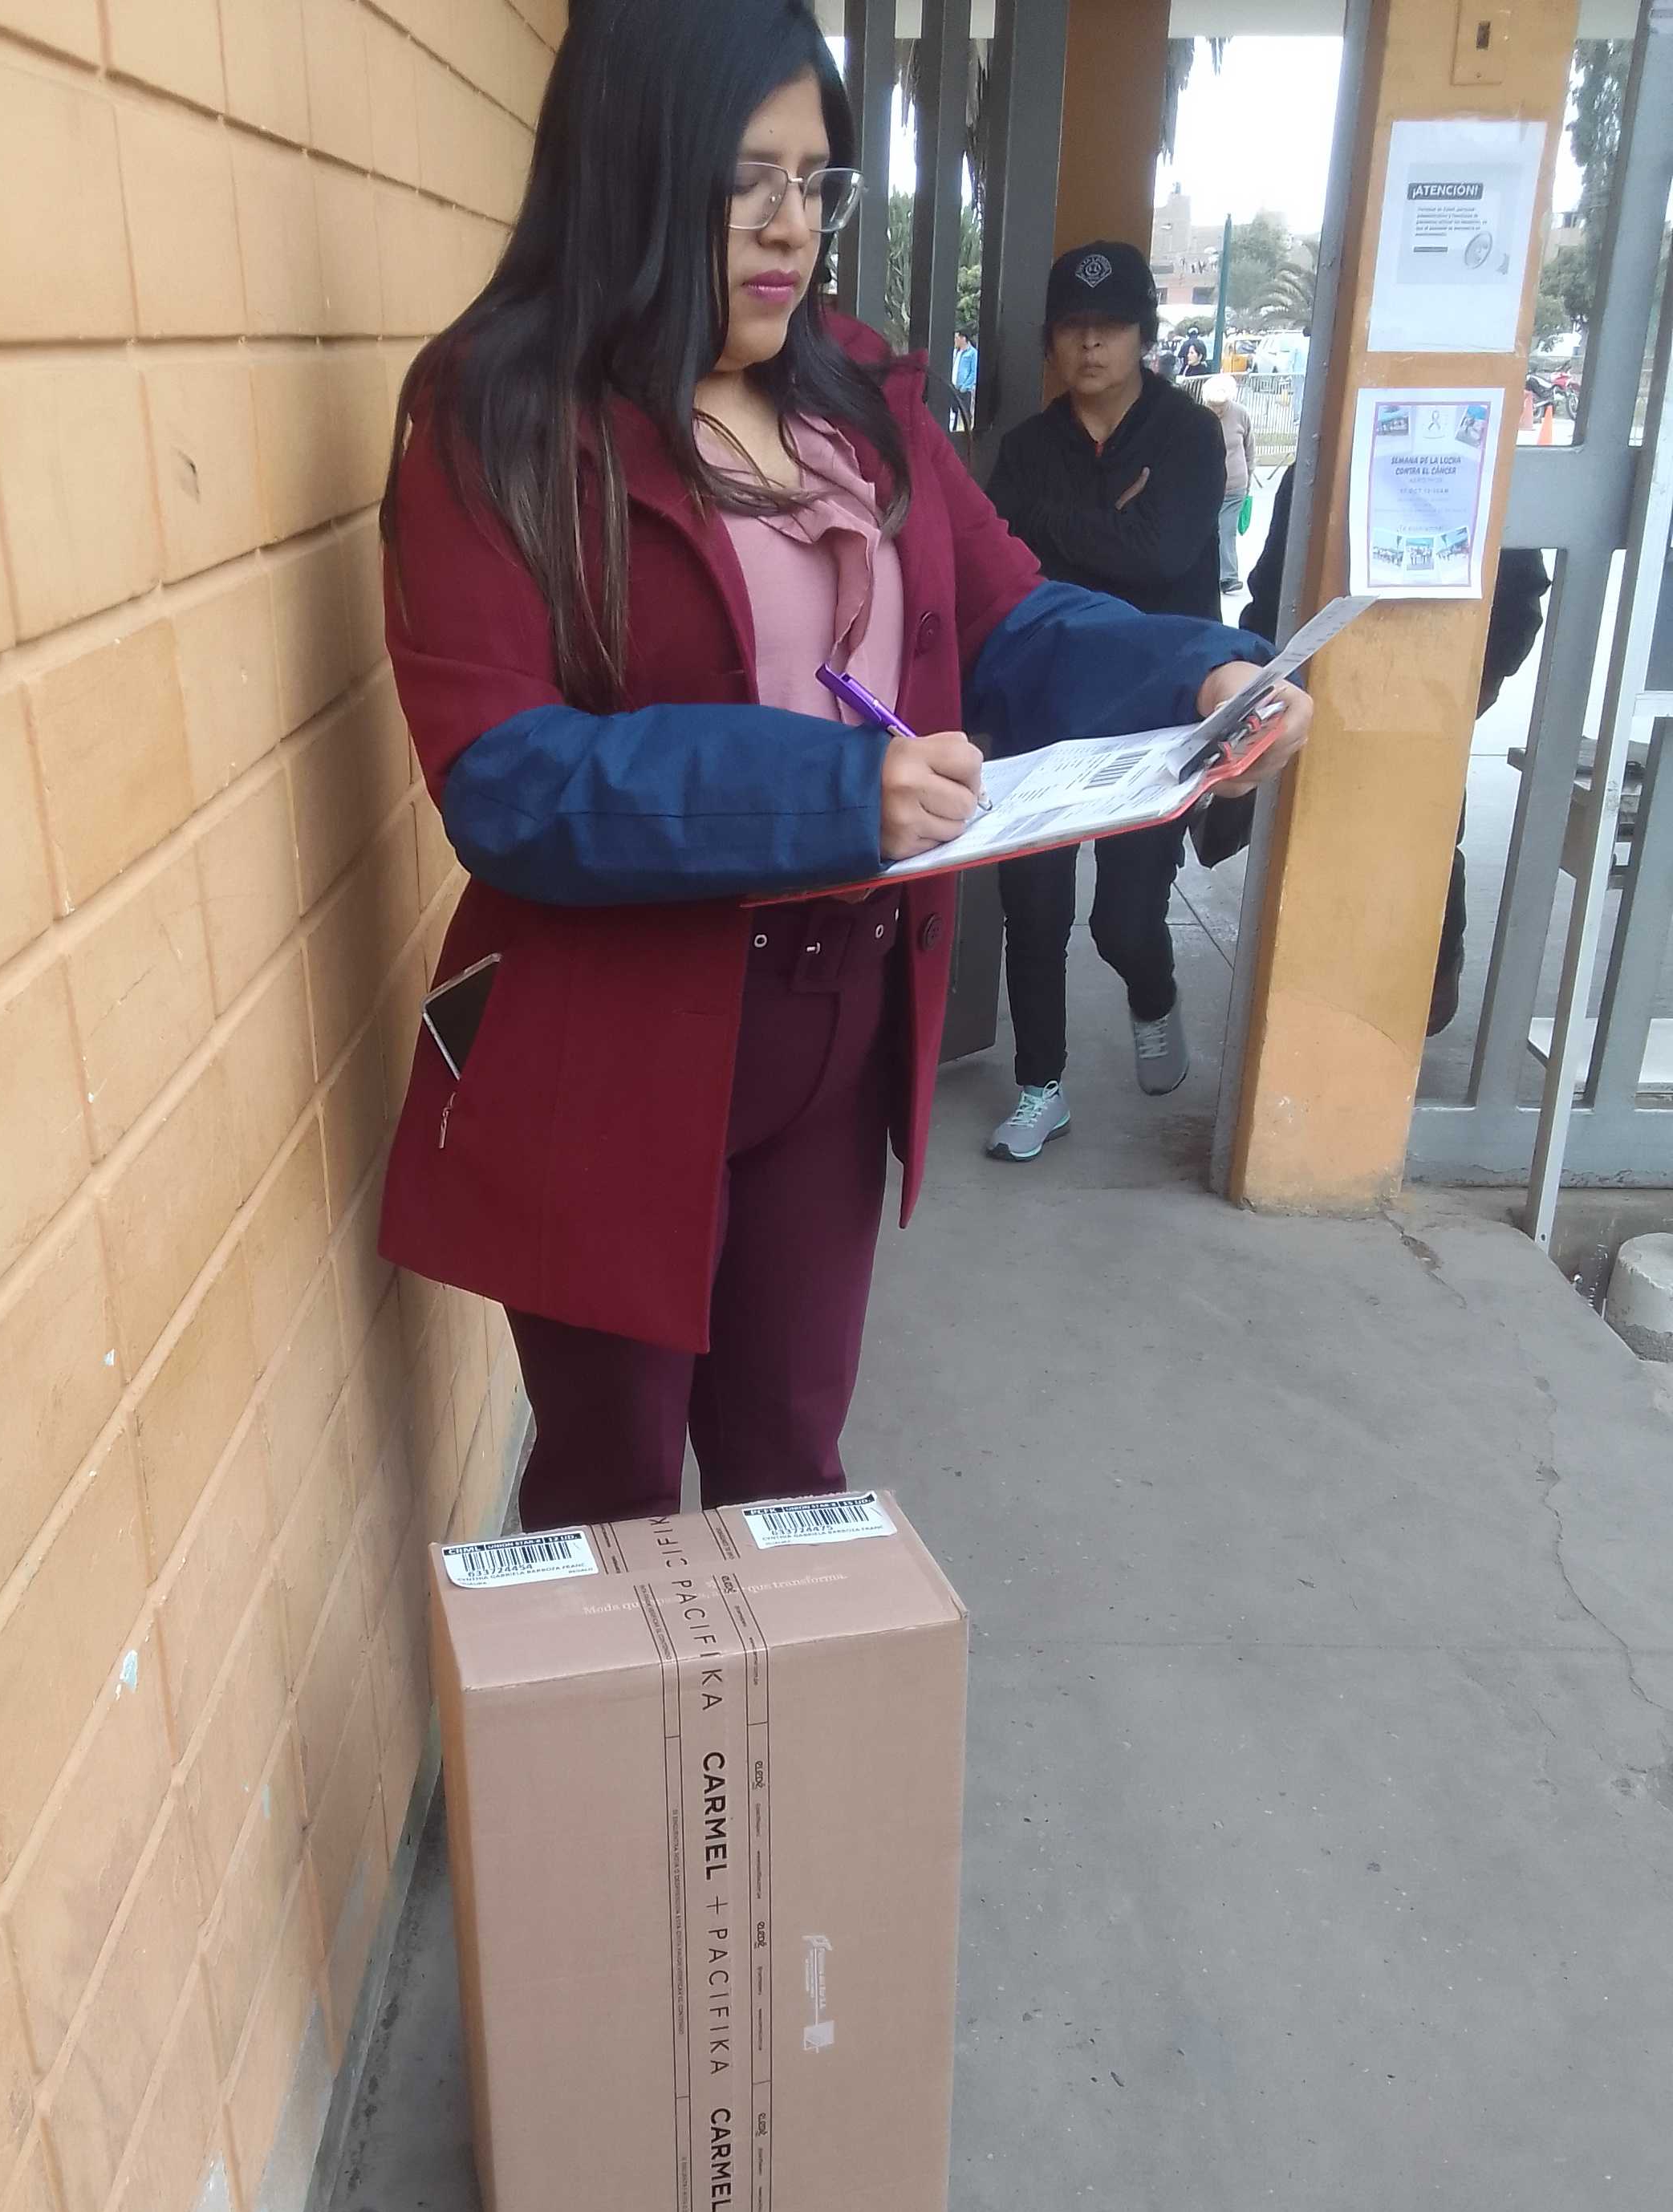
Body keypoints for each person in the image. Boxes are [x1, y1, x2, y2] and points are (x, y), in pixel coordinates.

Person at [376, 0, 1307, 1533]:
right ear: (630, 163)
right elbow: (504, 777)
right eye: (744, 179)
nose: (787, 225)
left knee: (789, 1478)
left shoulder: (853, 398)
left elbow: (1002, 616)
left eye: (814, 183)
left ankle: (772, 1710)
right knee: (611, 1497)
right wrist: (827, 792)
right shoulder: (497, 415)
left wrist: (1195, 675)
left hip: (836, 1019)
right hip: (615, 1041)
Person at [979, 241, 1236, 1161]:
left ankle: (1153, 993)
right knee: (1034, 911)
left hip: (1154, 717)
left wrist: (1052, 529)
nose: (1091, 344)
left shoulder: (1188, 435)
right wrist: (1111, 524)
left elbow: (1161, 556)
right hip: (1043, 709)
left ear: (1143, 335)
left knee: (1123, 922)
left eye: (1112, 326)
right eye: (1073, 327)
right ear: (1052, 341)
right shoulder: (1026, 448)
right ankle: (1040, 1088)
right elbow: (1001, 572)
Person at [1194, 469, 1549, 1036]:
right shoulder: (1320, 469)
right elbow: (1272, 592)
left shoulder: (1478, 467)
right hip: (1320, 708)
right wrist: (1267, 686)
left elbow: (1519, 600)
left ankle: (1423, 983)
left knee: (1420, 853)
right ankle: (1316, 1012)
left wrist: (1472, 691)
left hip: (1425, 716)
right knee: (1311, 859)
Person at [1201, 371, 1254, 598]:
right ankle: (1209, 574)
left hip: (1235, 485)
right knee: (1207, 531)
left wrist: (1249, 476)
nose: (1217, 410)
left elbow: (1249, 448)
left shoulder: (1241, 414)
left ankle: (1228, 577)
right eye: (1213, 405)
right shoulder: (1200, 417)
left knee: (1227, 530)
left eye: (1221, 405)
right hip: (1207, 487)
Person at [952, 327, 978, 432]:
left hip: (964, 389)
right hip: (954, 386)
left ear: (963, 338)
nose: (955, 340)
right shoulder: (956, 352)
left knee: (965, 412)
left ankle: (967, 431)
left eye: (957, 338)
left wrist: (966, 386)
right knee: (953, 411)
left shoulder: (972, 353)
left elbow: (974, 372)